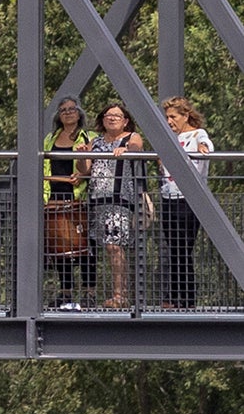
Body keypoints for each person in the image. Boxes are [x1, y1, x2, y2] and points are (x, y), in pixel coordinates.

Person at [84, 101, 146, 309]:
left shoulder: (130, 137)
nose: (111, 118)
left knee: (114, 245)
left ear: (125, 121)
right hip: (95, 200)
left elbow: (138, 149)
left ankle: (120, 295)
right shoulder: (95, 141)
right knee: (94, 247)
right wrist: (83, 153)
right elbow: (84, 169)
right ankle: (90, 294)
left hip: (119, 200)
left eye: (117, 116)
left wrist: (127, 149)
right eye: (108, 115)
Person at [160, 96, 213, 309]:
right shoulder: (168, 137)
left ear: (186, 115)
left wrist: (202, 148)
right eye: (167, 117)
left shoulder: (197, 133)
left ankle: (183, 298)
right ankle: (176, 297)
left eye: (173, 117)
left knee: (183, 247)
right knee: (174, 248)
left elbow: (205, 144)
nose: (169, 121)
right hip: (169, 196)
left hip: (190, 198)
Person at [43, 96, 94, 307]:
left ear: (79, 113)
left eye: (72, 109)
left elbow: (91, 166)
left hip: (79, 197)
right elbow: (42, 165)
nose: (68, 112)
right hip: (54, 195)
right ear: (58, 115)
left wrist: (80, 176)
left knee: (84, 247)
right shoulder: (50, 138)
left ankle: (89, 292)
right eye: (63, 110)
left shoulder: (89, 136)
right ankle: (65, 291)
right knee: (59, 246)